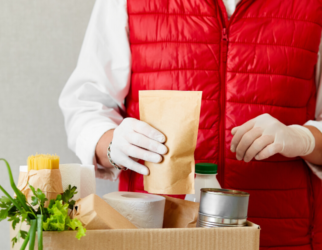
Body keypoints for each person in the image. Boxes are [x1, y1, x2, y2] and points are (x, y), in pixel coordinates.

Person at [59, 0, 322, 248]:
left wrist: (305, 138)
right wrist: (112, 144)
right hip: (155, 236)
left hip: (284, 236)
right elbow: (86, 105)